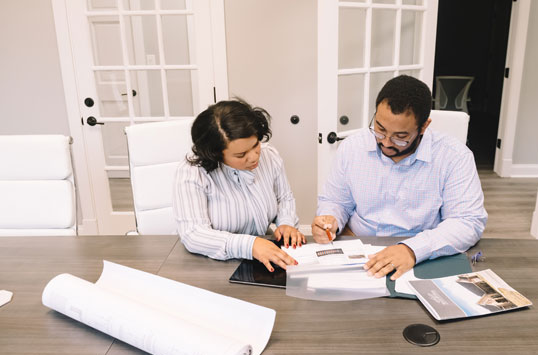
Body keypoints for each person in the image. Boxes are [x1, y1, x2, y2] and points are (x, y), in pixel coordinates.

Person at [312, 75, 487, 281]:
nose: (386, 142)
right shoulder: (352, 147)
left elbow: (468, 222)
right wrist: (330, 219)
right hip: (358, 251)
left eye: (400, 137)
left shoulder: (454, 156)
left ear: (423, 126)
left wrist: (412, 249)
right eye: (380, 129)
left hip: (423, 256)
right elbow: (336, 201)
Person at [173, 99, 305, 272]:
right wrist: (250, 245)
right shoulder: (192, 173)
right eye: (241, 154)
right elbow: (193, 234)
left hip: (263, 259)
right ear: (216, 155)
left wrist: (286, 223)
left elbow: (284, 198)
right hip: (214, 265)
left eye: (256, 144)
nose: (254, 157)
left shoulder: (269, 156)